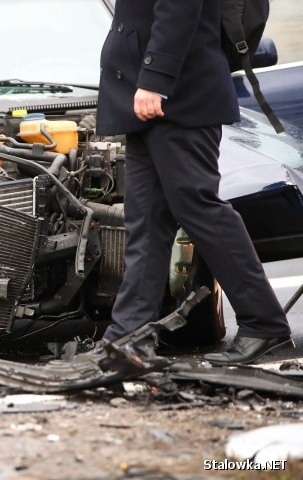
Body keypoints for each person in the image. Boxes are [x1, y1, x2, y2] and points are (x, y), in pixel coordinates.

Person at [95, 0, 293, 365]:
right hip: (144, 98)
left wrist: (155, 80)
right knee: (147, 221)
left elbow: (179, 5)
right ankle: (129, 336)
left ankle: (264, 325)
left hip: (175, 96)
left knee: (198, 206)